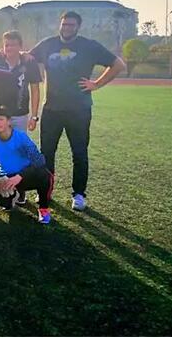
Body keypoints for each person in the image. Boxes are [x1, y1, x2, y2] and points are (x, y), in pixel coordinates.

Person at [30, 11, 125, 211]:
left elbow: (118, 65)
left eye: (71, 25)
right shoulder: (48, 44)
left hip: (79, 110)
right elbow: (27, 57)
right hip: (52, 109)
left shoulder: (89, 46)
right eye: (64, 24)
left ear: (78, 27)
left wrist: (96, 84)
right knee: (46, 152)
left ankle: (79, 194)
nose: (66, 28)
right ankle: (45, 191)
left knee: (79, 153)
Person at [0, 106, 53, 225]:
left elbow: (39, 160)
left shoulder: (21, 137)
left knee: (44, 175)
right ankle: (11, 199)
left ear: (9, 121)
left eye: (1, 119)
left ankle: (43, 208)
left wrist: (20, 176)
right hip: (8, 178)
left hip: (26, 175)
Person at [0, 31, 42, 133]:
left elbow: (35, 90)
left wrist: (34, 117)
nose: (9, 48)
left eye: (13, 45)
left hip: (20, 115)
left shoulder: (29, 62)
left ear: (20, 46)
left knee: (18, 143)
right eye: (6, 45)